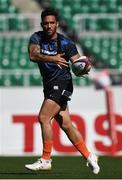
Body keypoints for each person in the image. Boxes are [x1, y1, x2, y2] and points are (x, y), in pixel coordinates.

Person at [25, 8, 100, 174]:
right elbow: (33, 55)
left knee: (44, 117)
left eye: (52, 23)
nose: (49, 26)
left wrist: (83, 68)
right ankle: (89, 156)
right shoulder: (36, 37)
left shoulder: (66, 43)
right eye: (46, 23)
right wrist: (52, 58)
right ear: (42, 24)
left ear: (57, 24)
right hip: (50, 84)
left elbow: (78, 61)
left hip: (62, 83)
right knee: (66, 125)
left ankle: (46, 159)